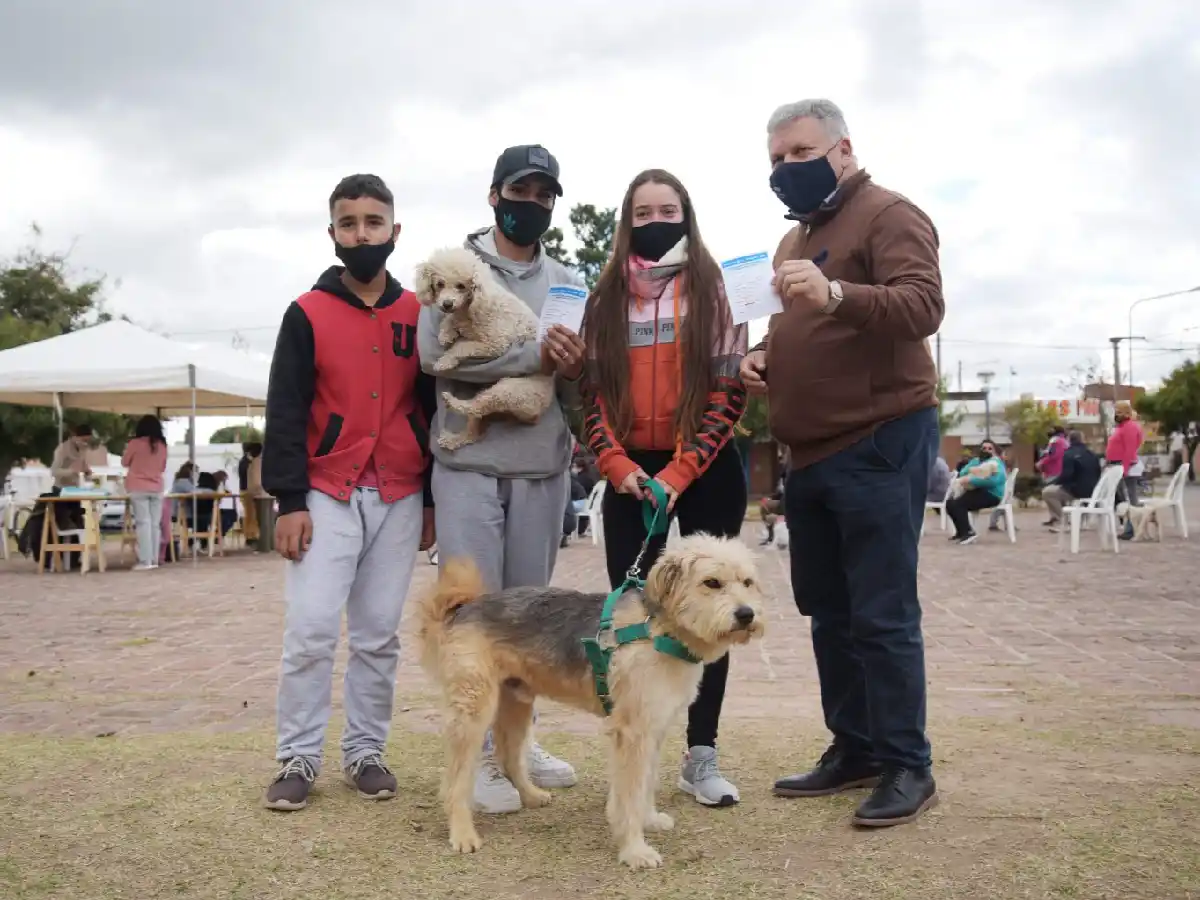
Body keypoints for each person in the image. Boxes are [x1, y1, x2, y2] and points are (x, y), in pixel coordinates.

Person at [742, 99, 944, 826]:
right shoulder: (793, 238)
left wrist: (834, 293)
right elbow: (791, 325)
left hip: (879, 436)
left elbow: (922, 306)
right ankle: (855, 747)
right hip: (812, 452)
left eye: (800, 153)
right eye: (776, 159)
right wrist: (762, 355)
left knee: (881, 612)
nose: (785, 168)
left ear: (844, 149)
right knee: (828, 611)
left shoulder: (889, 214)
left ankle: (907, 764)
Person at [417, 144, 586, 813]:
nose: (532, 204)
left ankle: (518, 744)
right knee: (473, 616)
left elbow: (569, 375)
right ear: (494, 196)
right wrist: (533, 355)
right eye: (521, 191)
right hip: (468, 465)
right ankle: (479, 753)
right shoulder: (452, 270)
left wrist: (574, 364)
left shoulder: (568, 280)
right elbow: (435, 355)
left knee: (530, 617)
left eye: (545, 194)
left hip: (542, 465)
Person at [260, 173, 436, 812]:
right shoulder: (306, 313)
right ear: (332, 233)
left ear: (395, 230)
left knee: (378, 635)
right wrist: (289, 501)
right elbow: (285, 408)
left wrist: (432, 502)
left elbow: (433, 408)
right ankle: (297, 756)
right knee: (310, 630)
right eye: (349, 223)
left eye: (373, 222)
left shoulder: (420, 313)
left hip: (400, 494)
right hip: (325, 492)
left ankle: (366, 751)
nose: (362, 234)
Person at [582, 168, 750, 807]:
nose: (656, 222)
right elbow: (591, 396)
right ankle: (638, 751)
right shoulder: (603, 299)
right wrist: (617, 464)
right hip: (630, 473)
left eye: (668, 211)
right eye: (643, 213)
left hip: (705, 469)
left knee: (715, 612)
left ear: (687, 216)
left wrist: (680, 471)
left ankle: (701, 755)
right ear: (627, 222)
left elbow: (730, 391)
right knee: (632, 614)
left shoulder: (716, 290)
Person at [121, 415, 168, 570]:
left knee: (143, 523)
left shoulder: (135, 443)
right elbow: (162, 467)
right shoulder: (162, 446)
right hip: (157, 487)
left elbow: (125, 462)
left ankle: (145, 561)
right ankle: (154, 559)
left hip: (138, 486)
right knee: (155, 525)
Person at [946, 440, 1007, 543]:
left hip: (992, 494)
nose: (986, 450)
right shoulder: (977, 461)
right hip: (977, 491)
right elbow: (962, 472)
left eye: (990, 448)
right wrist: (974, 466)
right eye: (984, 448)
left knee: (959, 504)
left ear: (995, 451)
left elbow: (994, 481)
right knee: (950, 503)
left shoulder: (996, 463)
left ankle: (968, 532)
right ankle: (961, 532)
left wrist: (972, 480)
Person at [1041, 431, 1100, 530]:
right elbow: (1098, 472)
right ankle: (1073, 519)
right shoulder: (1092, 454)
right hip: (1092, 490)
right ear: (1082, 440)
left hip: (1076, 491)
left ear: (1069, 440)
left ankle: (1062, 520)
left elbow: (1066, 476)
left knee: (1048, 492)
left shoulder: (1068, 454)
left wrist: (1054, 482)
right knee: (1060, 490)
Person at [1107, 400, 1145, 540]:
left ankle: (1132, 529)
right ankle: (1129, 527)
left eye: (1118, 411)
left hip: (1127, 467)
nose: (1116, 414)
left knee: (1131, 499)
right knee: (1124, 498)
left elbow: (1130, 449)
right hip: (1120, 466)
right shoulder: (1122, 427)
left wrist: (1125, 468)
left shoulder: (1129, 427)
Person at [1036, 426, 1068, 526]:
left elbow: (1052, 455)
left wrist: (1041, 463)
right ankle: (1058, 517)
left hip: (1053, 471)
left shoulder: (1055, 441)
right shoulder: (1064, 441)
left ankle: (1057, 518)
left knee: (1050, 494)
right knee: (1058, 496)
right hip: (1061, 470)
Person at [51, 423, 94, 488]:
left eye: (88, 441)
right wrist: (71, 471)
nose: (85, 443)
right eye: (84, 440)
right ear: (75, 437)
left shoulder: (83, 449)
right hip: (60, 489)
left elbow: (84, 468)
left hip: (75, 488)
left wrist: (87, 473)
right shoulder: (62, 449)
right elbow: (54, 471)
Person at [241, 442, 263, 548]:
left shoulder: (249, 461)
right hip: (247, 491)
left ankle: (254, 535)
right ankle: (250, 537)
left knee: (253, 515)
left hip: (251, 491)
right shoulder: (246, 462)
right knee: (250, 515)